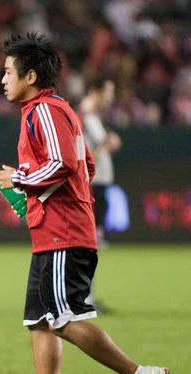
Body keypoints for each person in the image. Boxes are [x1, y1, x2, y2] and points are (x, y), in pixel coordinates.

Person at [0, 33, 168, 374]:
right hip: (54, 231)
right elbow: (85, 167)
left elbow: (63, 165)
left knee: (62, 318)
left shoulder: (44, 111)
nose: (2, 79)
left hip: (63, 233)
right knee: (38, 319)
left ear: (31, 75)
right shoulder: (59, 110)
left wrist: (20, 179)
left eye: (8, 72)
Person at [79, 77, 122, 312]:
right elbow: (82, 158)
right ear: (95, 92)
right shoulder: (83, 117)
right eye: (108, 92)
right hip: (92, 186)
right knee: (87, 244)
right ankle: (84, 298)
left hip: (99, 185)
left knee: (92, 244)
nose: (111, 98)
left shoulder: (91, 118)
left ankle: (88, 297)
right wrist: (108, 144)